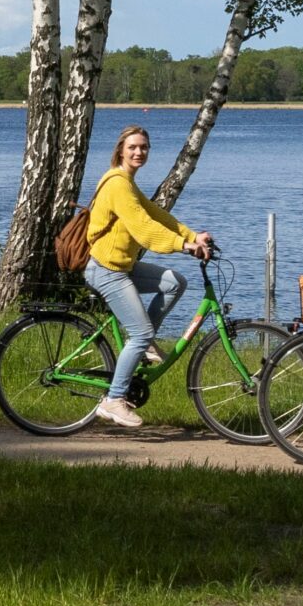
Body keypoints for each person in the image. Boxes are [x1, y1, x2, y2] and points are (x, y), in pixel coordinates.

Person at [81, 125, 214, 429]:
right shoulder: (117, 184)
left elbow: (156, 214)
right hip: (106, 270)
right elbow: (143, 228)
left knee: (174, 282)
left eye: (144, 147)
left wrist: (193, 234)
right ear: (120, 150)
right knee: (139, 333)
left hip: (121, 266)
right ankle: (113, 400)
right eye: (133, 147)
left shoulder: (127, 182)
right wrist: (185, 246)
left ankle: (143, 344)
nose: (139, 152)